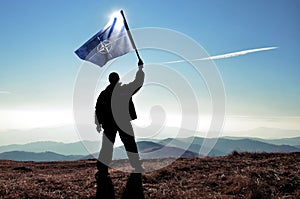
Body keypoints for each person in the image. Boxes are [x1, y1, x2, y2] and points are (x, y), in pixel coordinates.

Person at [95, 60, 145, 177]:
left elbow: (98, 109)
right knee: (130, 144)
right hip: (123, 122)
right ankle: (136, 165)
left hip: (109, 124)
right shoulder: (124, 90)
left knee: (107, 146)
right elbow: (138, 83)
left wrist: (98, 124)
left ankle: (102, 169)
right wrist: (140, 70)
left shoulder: (104, 94)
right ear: (118, 79)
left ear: (110, 80)